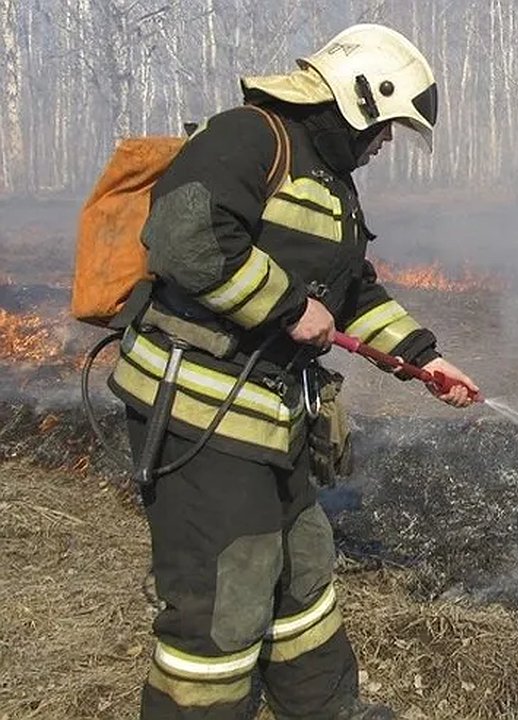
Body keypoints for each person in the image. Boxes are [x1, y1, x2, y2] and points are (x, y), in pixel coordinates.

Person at [107, 24, 476, 719]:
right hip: (201, 416)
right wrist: (282, 305)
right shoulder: (249, 136)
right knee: (222, 602)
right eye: (387, 126)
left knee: (302, 576)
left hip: (273, 420)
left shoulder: (327, 177)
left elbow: (348, 291)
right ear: (360, 99)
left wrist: (423, 358)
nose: (386, 143)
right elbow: (183, 234)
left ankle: (326, 709)